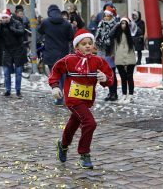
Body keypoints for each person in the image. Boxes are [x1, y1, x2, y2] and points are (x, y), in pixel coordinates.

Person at [49, 29, 114, 169]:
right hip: (73, 98)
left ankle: (63, 145)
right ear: (76, 46)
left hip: (87, 100)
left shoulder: (98, 61)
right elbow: (56, 70)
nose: (87, 46)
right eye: (83, 43)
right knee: (90, 123)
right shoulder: (69, 60)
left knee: (74, 122)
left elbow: (109, 78)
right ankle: (84, 154)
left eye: (90, 43)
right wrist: (55, 86)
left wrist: (105, 79)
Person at [38, 4, 74, 105]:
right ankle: (62, 95)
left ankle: (58, 97)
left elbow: (39, 31)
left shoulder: (45, 22)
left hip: (50, 53)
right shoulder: (66, 23)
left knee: (54, 75)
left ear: (49, 12)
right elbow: (71, 37)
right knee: (62, 75)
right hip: (63, 53)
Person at [0, 9, 26, 97]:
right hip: (7, 51)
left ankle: (18, 90)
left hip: (18, 50)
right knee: (6, 72)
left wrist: (11, 28)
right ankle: (8, 90)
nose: (4, 19)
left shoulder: (17, 23)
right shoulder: (2, 25)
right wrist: (0, 28)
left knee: (18, 72)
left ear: (9, 17)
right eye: (3, 17)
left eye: (6, 17)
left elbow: (21, 32)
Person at [110, 17, 136, 103]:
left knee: (129, 76)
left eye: (125, 23)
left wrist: (131, 23)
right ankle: (124, 94)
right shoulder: (117, 34)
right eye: (121, 23)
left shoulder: (131, 33)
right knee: (123, 77)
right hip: (119, 57)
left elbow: (137, 30)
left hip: (129, 56)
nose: (123, 25)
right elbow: (110, 34)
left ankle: (130, 95)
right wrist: (116, 26)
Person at [95, 6, 118, 101]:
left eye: (108, 16)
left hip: (110, 52)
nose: (106, 17)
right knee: (106, 73)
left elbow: (116, 40)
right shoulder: (101, 24)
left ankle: (114, 93)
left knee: (112, 72)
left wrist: (114, 52)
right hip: (102, 52)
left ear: (111, 16)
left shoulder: (115, 25)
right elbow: (97, 36)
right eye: (105, 15)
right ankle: (110, 92)